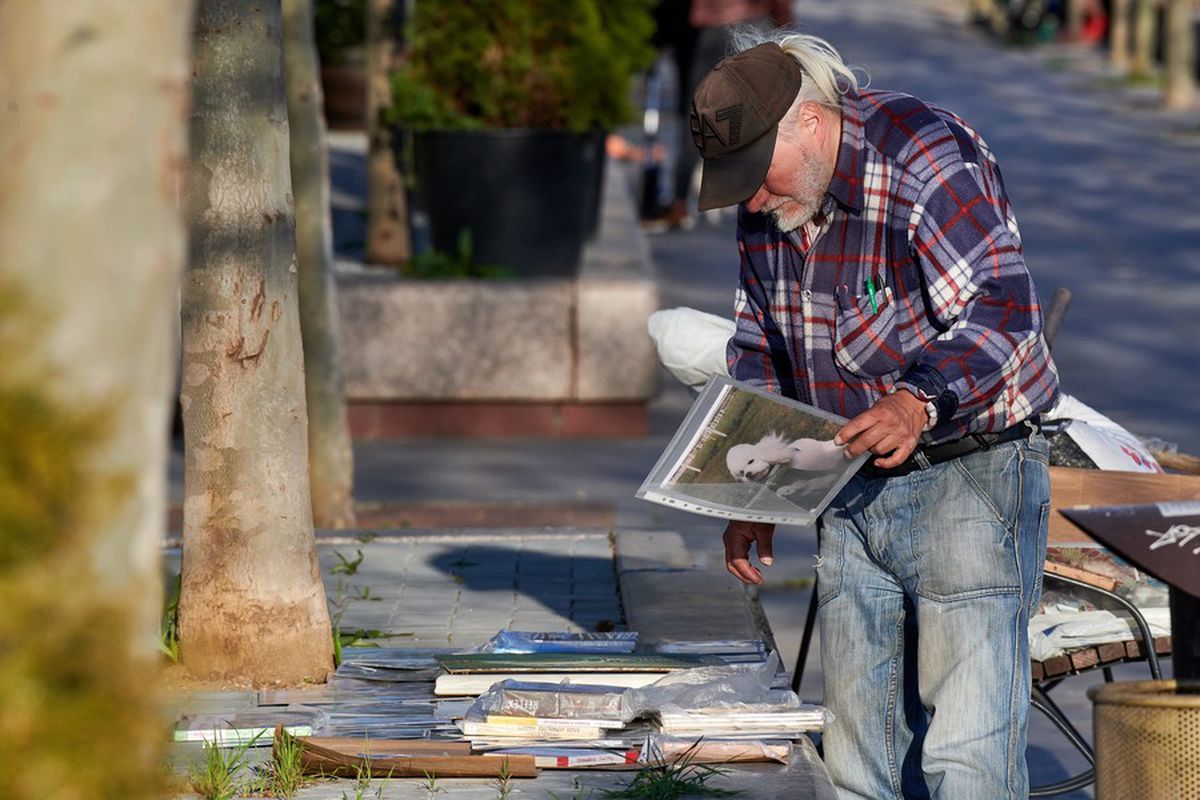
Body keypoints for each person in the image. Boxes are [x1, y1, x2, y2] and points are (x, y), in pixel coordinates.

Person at [689, 27, 1061, 800]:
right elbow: (758, 343)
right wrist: (748, 490)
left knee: (968, 761)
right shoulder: (772, 199)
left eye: (758, 174)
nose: (753, 198)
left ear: (812, 124)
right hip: (847, 484)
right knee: (859, 757)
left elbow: (1005, 307)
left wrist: (916, 399)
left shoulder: (925, 155)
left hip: (969, 474)